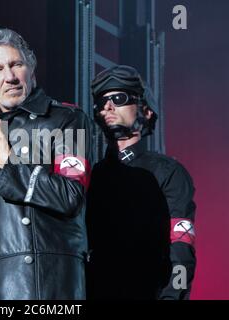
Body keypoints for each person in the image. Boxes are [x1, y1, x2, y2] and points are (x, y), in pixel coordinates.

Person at [0, 28, 92, 300]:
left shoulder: (67, 119)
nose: (10, 77)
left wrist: (7, 160)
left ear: (32, 69)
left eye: (17, 64)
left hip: (48, 288)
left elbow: (70, 196)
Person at [86, 65, 196, 299]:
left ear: (145, 111)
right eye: (102, 101)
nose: (108, 106)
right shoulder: (91, 176)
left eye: (119, 97)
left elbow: (182, 249)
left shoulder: (169, 172)